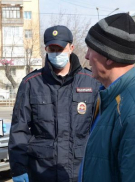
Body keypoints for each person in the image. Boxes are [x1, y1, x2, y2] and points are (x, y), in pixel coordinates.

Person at [8, 25, 100, 182]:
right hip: (42, 171)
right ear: (46, 49)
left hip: (81, 170)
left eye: (61, 48)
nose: (57, 53)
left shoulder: (92, 81)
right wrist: (18, 168)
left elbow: (101, 128)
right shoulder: (31, 83)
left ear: (71, 48)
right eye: (52, 49)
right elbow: (19, 130)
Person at [79, 13, 135, 182]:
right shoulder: (110, 97)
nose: (87, 57)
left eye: (91, 49)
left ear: (109, 56)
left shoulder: (130, 108)